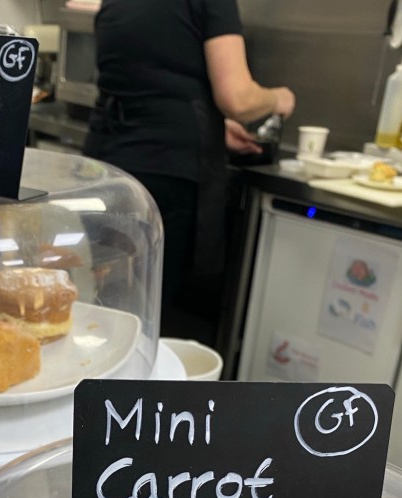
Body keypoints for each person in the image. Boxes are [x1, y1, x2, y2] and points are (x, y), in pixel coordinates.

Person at [83, 0, 295, 337]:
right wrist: (278, 98)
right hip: (165, 174)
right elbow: (237, 99)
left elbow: (150, 80)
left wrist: (210, 127)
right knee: (148, 319)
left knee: (111, 306)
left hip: (106, 167)